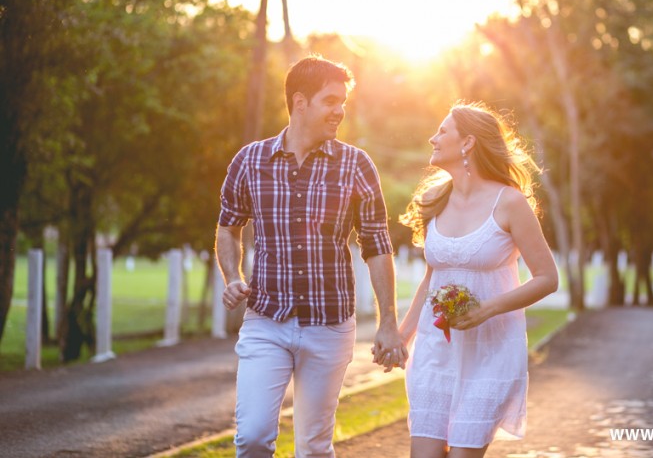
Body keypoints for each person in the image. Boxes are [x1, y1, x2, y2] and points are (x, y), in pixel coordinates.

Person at [215, 55, 408, 458]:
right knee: (251, 437)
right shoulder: (249, 162)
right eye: (330, 101)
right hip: (266, 320)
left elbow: (377, 245)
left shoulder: (356, 165)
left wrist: (388, 322)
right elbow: (228, 226)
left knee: (314, 446)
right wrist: (231, 274)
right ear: (300, 103)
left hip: (329, 326)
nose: (340, 111)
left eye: (343, 102)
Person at [398, 102, 560, 458]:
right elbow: (431, 277)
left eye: (442, 131)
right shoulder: (433, 200)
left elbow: (548, 278)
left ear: (468, 142)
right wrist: (402, 334)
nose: (432, 138)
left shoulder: (510, 203)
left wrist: (488, 309)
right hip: (436, 350)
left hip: (492, 349)